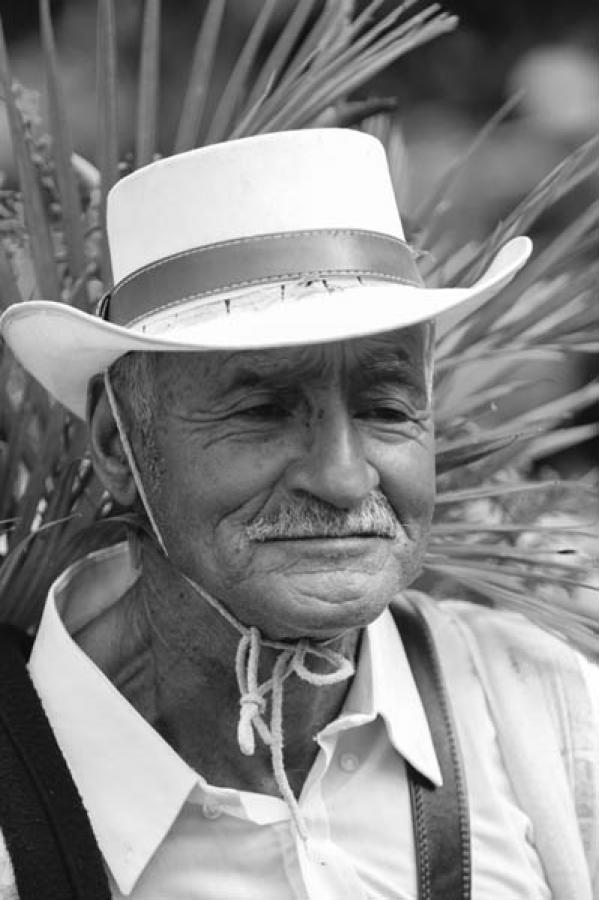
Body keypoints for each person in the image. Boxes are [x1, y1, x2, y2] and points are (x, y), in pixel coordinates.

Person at [0, 128, 597, 900]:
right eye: (263, 410)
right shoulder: (22, 787)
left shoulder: (545, 714)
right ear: (119, 445)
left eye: (386, 407)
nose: (346, 480)